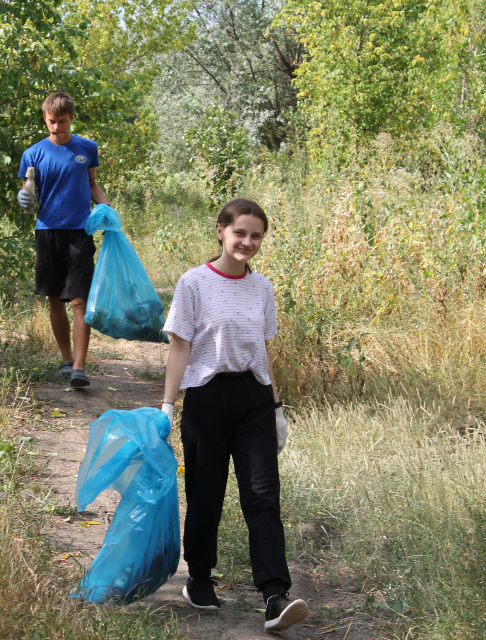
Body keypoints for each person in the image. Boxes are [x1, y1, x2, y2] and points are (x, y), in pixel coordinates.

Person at [161, 199, 308, 632]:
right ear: (221, 230)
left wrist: (276, 408)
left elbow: (264, 350)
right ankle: (199, 577)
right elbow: (180, 348)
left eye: (256, 235)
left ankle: (275, 595)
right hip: (207, 397)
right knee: (206, 492)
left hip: (254, 399)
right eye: (240, 232)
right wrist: (167, 406)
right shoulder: (193, 282)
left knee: (262, 494)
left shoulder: (262, 288)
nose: (247, 242)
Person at [17, 92, 110, 388]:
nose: (57, 127)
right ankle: (66, 360)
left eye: (62, 121)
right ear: (45, 119)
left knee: (79, 300)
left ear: (72, 118)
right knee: (55, 299)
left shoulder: (87, 148)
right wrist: (24, 197)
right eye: (51, 121)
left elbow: (92, 185)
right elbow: (29, 190)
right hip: (47, 231)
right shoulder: (33, 153)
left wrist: (106, 208)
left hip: (80, 232)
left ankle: (80, 367)